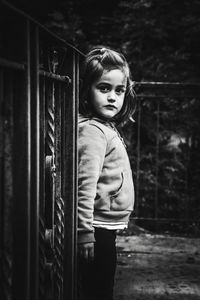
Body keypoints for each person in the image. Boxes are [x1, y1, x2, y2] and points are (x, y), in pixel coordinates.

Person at [77, 47, 136, 300]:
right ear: (87, 91)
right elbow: (84, 184)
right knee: (98, 291)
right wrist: (84, 232)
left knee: (100, 287)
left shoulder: (104, 127)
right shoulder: (93, 132)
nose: (112, 97)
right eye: (104, 88)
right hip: (95, 228)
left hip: (104, 227)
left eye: (119, 90)